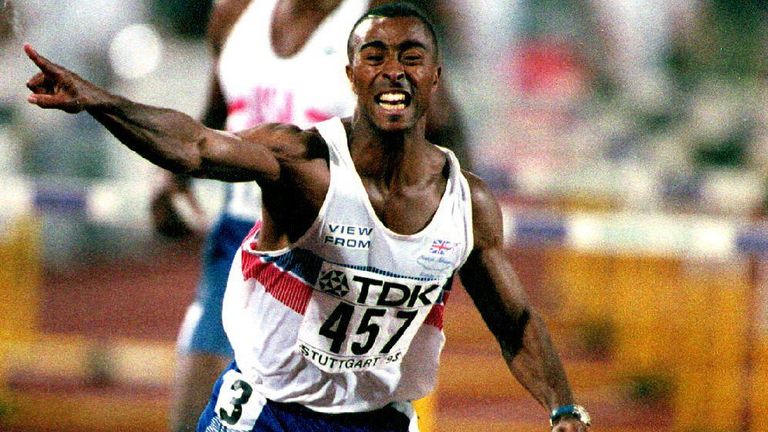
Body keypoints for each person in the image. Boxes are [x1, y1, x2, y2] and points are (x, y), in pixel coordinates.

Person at [23, 3, 591, 431]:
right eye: (375, 58)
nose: (393, 71)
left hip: (376, 417)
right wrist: (99, 100)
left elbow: (514, 323)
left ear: (435, 81)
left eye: (411, 59)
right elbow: (198, 143)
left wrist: (563, 407)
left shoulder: (467, 204)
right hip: (269, 407)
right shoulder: (303, 165)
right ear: (351, 77)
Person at [148, 1, 470, 430]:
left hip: (335, 247)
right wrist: (172, 180)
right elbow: (215, 117)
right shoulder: (233, 12)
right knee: (193, 414)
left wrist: (445, 226)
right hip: (242, 235)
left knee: (324, 410)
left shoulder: (374, 23)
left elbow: (442, 120)